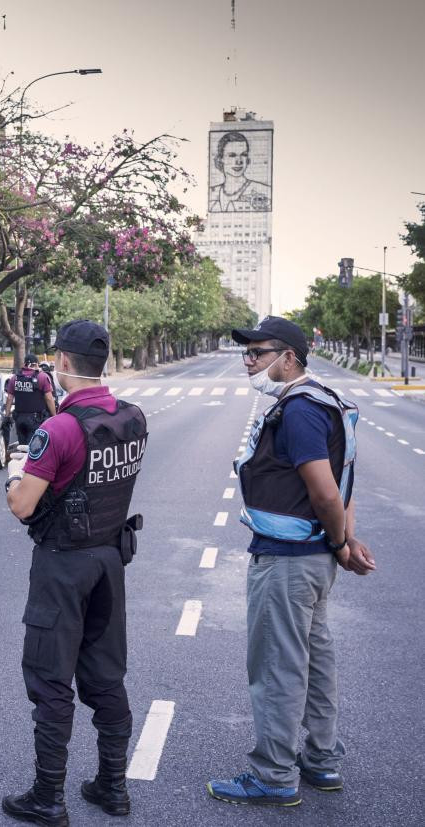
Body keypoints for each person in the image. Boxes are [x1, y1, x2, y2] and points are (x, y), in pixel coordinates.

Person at [208, 316, 374, 807]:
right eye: (247, 353)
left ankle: (273, 774)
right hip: (315, 556)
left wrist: (341, 539)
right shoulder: (325, 401)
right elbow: (346, 483)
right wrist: (342, 543)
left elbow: (325, 490)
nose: (248, 362)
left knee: (279, 667)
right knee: (317, 662)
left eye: (257, 353)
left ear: (289, 357)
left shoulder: (300, 409)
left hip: (287, 561)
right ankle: (321, 761)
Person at [1, 320, 148, 825]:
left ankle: (48, 797)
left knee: (49, 679)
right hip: (110, 559)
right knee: (106, 675)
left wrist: (16, 473)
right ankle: (113, 787)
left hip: (63, 564)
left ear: (62, 362)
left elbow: (23, 506)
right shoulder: (133, 418)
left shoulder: (59, 428)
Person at [208, 130, 272, 213]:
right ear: (221, 159)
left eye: (244, 155)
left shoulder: (265, 190)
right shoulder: (212, 192)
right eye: (232, 155)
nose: (239, 161)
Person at [4, 354, 57, 448]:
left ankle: (23, 462)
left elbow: (9, 398)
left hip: (19, 419)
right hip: (36, 419)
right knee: (34, 449)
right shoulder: (42, 377)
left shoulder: (15, 378)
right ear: (36, 364)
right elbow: (49, 398)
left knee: (22, 447)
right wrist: (54, 416)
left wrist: (7, 416)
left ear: (24, 364)